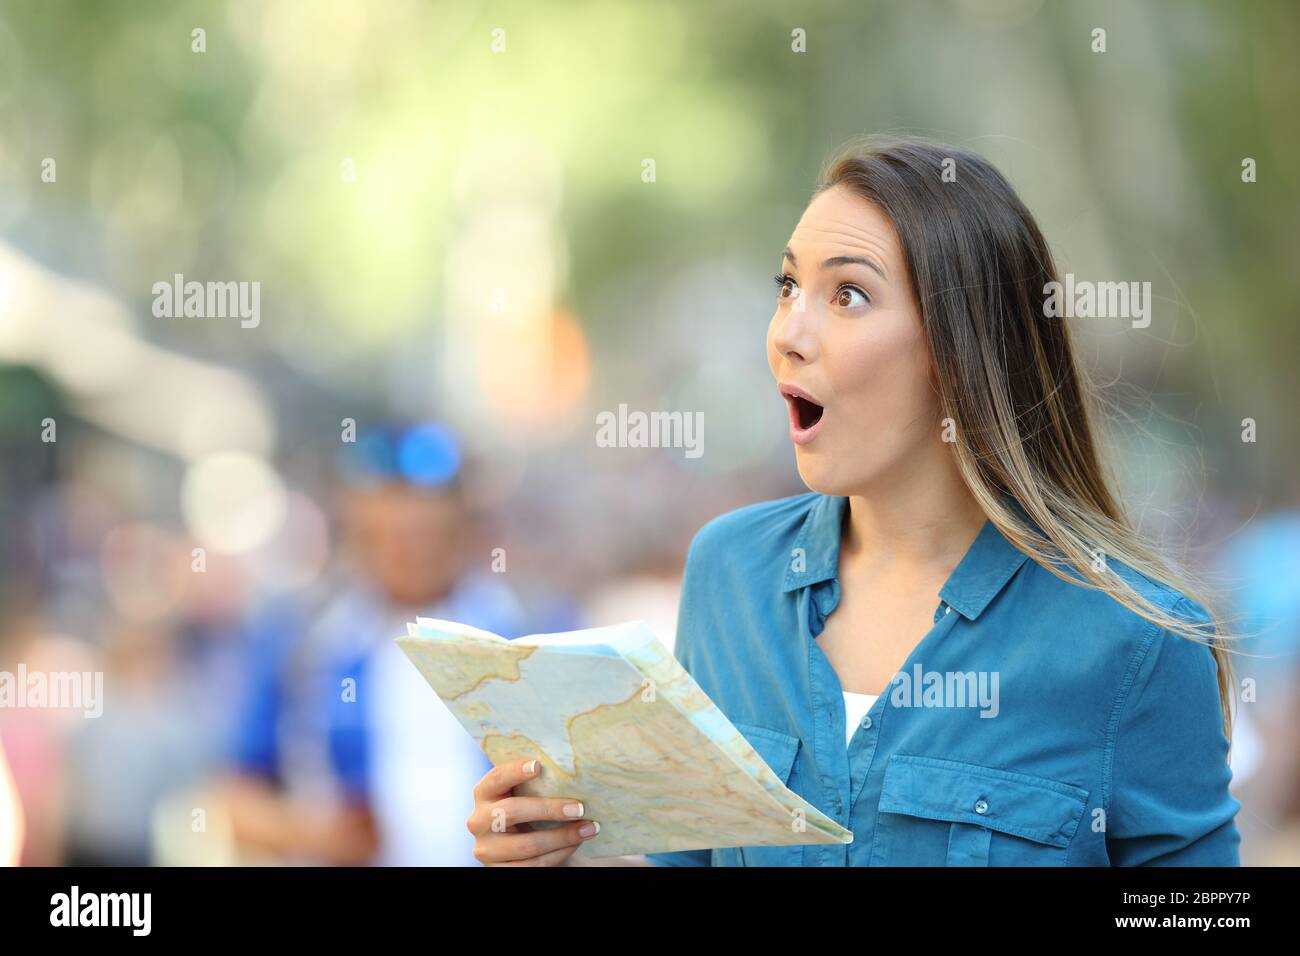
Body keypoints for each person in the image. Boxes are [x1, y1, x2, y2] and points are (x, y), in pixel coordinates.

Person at [465, 135, 1242, 867]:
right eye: (789, 286)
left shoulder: (1137, 641)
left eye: (848, 295)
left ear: (961, 351)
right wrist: (556, 854)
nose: (787, 333)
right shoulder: (730, 573)